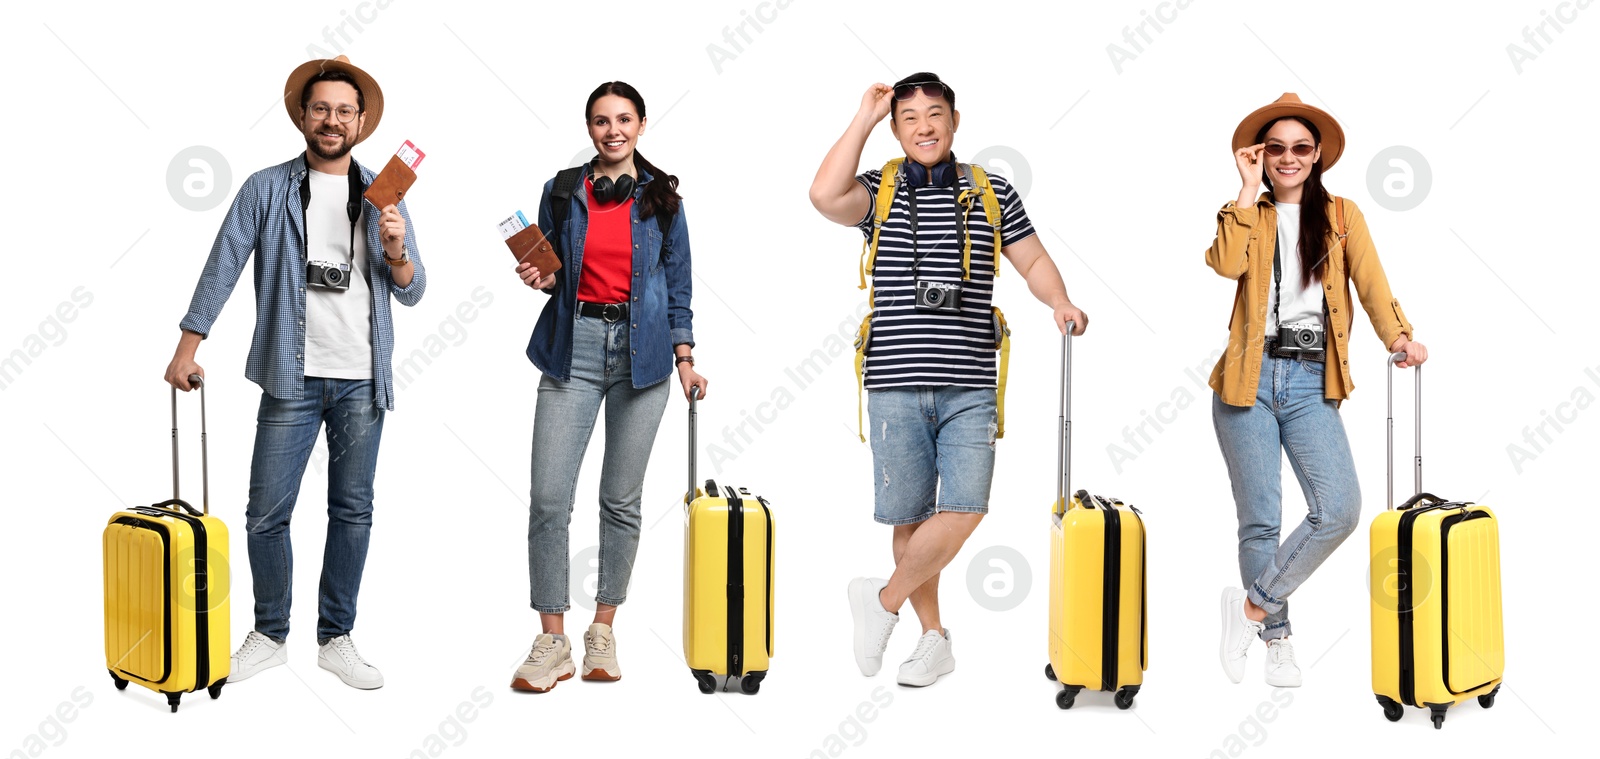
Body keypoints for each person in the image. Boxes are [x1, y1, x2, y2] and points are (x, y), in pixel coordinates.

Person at [810, 73, 1089, 687]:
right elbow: (825, 195)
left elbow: (1033, 259)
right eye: (909, 118)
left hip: (969, 380)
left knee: (964, 507)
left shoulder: (991, 191)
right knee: (910, 518)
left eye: (935, 115)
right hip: (893, 378)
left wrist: (1059, 301)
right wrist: (863, 117)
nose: (924, 127)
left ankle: (880, 602)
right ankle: (933, 639)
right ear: (895, 128)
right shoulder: (880, 190)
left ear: (956, 121)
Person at [165, 55, 426, 690]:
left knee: (352, 510)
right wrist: (187, 346)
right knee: (265, 511)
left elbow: (414, 291)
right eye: (321, 109)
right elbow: (224, 262)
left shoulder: (384, 191)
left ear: (360, 120)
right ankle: (271, 634)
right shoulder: (265, 187)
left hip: (364, 379)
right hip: (291, 374)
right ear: (302, 116)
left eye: (343, 110)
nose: (332, 120)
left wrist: (394, 247)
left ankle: (336, 638)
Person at [1207, 93, 1427, 688]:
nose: (1287, 157)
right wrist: (1246, 190)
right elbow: (1225, 264)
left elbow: (1372, 284)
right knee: (1261, 521)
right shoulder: (1246, 211)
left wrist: (1399, 335)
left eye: (1300, 148)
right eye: (1273, 148)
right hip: (1246, 381)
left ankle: (1250, 609)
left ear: (1318, 154)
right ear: (1259, 154)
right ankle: (1277, 639)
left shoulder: (1343, 215)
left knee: (1339, 510)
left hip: (1310, 381)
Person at [509, 81, 708, 693]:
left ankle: (603, 629)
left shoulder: (664, 199)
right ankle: (552, 639)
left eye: (624, 119)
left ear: (642, 125)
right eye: (601, 121)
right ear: (589, 128)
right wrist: (538, 276)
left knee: (620, 501)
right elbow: (553, 274)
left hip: (644, 358)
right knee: (549, 498)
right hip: (574, 351)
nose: (612, 130)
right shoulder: (563, 190)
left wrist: (686, 358)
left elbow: (678, 281)